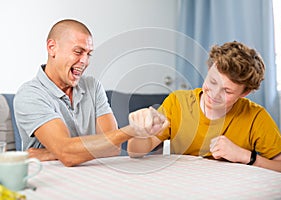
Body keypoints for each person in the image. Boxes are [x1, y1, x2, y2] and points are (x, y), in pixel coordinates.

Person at [127, 41, 281, 179]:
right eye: (213, 81)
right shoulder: (177, 102)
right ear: (209, 69)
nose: (214, 94)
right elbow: (134, 152)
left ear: (245, 92)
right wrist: (141, 132)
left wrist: (245, 156)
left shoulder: (256, 117)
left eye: (227, 91)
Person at [14, 19, 167, 167]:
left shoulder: (92, 86)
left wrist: (50, 154)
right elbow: (67, 154)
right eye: (78, 52)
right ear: (52, 47)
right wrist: (131, 130)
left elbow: (113, 148)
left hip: (91, 177)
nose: (84, 61)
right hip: (47, 179)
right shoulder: (30, 95)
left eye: (88, 54)